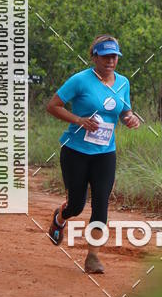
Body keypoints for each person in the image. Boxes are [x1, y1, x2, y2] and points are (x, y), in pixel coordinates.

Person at [45, 34, 140, 273]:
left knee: (101, 205)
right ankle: (61, 217)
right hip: (75, 151)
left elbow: (124, 111)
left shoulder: (123, 83)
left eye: (114, 56)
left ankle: (93, 256)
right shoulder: (80, 80)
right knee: (77, 205)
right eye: (105, 56)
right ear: (94, 56)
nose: (110, 61)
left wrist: (130, 119)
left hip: (105, 153)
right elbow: (52, 106)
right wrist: (79, 120)